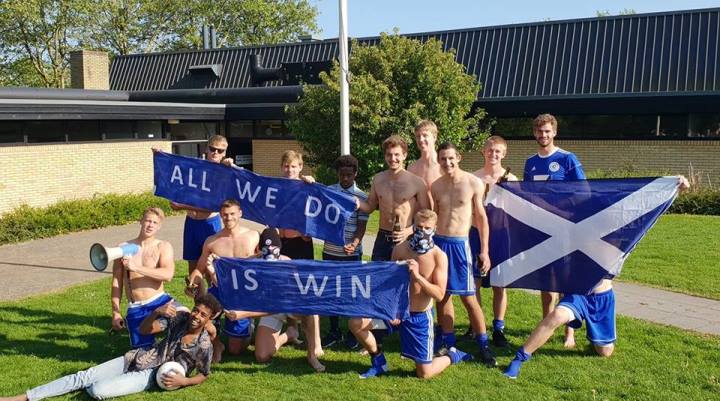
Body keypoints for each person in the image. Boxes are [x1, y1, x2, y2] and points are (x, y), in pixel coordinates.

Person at [504, 175, 692, 379]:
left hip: (602, 299)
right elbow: (544, 211)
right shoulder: (575, 229)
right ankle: (519, 358)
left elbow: (646, 211)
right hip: (579, 294)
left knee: (605, 352)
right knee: (556, 315)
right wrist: (517, 189)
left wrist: (675, 188)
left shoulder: (621, 238)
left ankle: (594, 339)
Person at [0, 294, 222, 401]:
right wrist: (157, 312)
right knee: (83, 376)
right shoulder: (179, 319)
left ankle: (90, 385)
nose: (196, 316)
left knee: (97, 390)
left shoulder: (203, 345)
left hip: (152, 376)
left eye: (203, 315)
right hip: (137, 358)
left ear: (209, 319)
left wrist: (184, 381)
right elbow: (145, 330)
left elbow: (204, 374)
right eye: (196, 310)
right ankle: (23, 397)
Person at [349, 209, 472, 379]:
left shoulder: (439, 256)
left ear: (435, 229)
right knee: (356, 323)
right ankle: (378, 362)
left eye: (427, 228)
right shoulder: (399, 249)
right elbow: (390, 284)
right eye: (419, 227)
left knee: (424, 373)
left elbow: (439, 294)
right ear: (413, 226)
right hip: (396, 312)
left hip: (419, 316)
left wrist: (418, 277)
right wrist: (392, 309)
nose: (422, 231)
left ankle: (452, 355)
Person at [430, 142, 496, 366]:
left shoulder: (473, 182)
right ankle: (448, 342)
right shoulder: (436, 186)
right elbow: (434, 216)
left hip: (460, 244)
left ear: (458, 157)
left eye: (451, 158)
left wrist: (484, 251)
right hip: (439, 243)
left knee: (469, 297)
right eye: (443, 159)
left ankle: (483, 345)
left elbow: (481, 218)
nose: (447, 162)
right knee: (442, 295)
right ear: (439, 160)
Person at [523, 114, 586, 348]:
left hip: (565, 229)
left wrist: (559, 208)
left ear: (554, 132)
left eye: (547, 131)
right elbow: (526, 194)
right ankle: (546, 326)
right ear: (534, 133)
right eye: (540, 131)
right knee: (546, 281)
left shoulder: (567, 159)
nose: (543, 135)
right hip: (540, 229)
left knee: (566, 280)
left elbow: (584, 192)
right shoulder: (530, 163)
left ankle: (570, 332)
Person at [186, 199, 259, 362]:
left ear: (240, 213)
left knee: (235, 350)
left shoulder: (253, 236)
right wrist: (192, 282)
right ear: (220, 215)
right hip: (218, 291)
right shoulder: (212, 241)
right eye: (225, 215)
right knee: (198, 317)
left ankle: (249, 325)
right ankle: (217, 342)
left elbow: (264, 264)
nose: (229, 218)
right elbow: (199, 269)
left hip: (242, 294)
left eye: (232, 214)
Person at [251, 228, 326, 372]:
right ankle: (289, 334)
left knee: (309, 309)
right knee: (261, 356)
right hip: (270, 310)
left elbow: (303, 292)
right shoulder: (252, 262)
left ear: (279, 248)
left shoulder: (288, 262)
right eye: (266, 249)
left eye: (274, 249)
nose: (270, 252)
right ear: (260, 249)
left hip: (289, 305)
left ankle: (312, 354)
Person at [468, 136, 518, 347]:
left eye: (497, 151)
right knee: (474, 283)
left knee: (500, 284)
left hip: (500, 236)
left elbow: (517, 211)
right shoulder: (473, 177)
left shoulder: (511, 179)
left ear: (504, 154)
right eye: (490, 150)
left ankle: (498, 328)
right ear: (483, 151)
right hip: (475, 233)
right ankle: (475, 326)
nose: (493, 154)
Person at [110, 207, 184, 349]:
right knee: (143, 353)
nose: (150, 225)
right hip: (136, 306)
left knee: (187, 317)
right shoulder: (123, 248)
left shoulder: (163, 246)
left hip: (160, 300)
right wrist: (116, 312)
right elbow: (117, 282)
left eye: (155, 223)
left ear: (159, 226)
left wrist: (136, 267)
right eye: (148, 221)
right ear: (141, 221)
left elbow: (168, 275)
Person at [275, 150, 324, 360]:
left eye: (293, 166)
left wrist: (313, 183)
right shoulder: (276, 188)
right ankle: (292, 329)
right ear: (281, 167)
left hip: (302, 242)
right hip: (282, 242)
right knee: (286, 286)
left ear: (300, 167)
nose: (289, 170)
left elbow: (320, 204)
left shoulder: (306, 187)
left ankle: (316, 340)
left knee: (307, 288)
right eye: (286, 166)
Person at [321, 155, 369, 348]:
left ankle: (352, 331)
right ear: (337, 173)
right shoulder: (329, 192)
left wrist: (354, 243)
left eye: (349, 174)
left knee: (352, 292)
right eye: (342, 174)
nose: (345, 178)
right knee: (332, 291)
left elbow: (362, 225)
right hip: (330, 250)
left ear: (355, 173)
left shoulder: (361, 196)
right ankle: (334, 330)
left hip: (352, 252)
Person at [357, 135, 431, 261]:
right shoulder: (378, 179)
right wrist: (356, 202)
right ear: (385, 156)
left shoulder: (416, 182)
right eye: (389, 155)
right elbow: (370, 206)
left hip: (405, 238)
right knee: (378, 272)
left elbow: (427, 215)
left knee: (404, 273)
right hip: (382, 238)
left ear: (404, 155)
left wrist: (409, 231)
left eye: (397, 155)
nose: (393, 159)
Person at [169, 135, 234, 275]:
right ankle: (195, 290)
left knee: (211, 267)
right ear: (206, 148)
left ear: (224, 153)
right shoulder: (195, 168)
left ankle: (212, 291)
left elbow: (212, 207)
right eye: (212, 149)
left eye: (220, 151)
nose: (215, 153)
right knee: (192, 268)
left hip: (209, 224)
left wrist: (182, 206)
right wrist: (160, 156)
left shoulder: (224, 171)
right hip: (191, 223)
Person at [407, 120, 443, 203]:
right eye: (418, 136)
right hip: (419, 211)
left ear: (434, 137)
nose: (421, 139)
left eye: (425, 135)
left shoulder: (444, 165)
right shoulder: (411, 169)